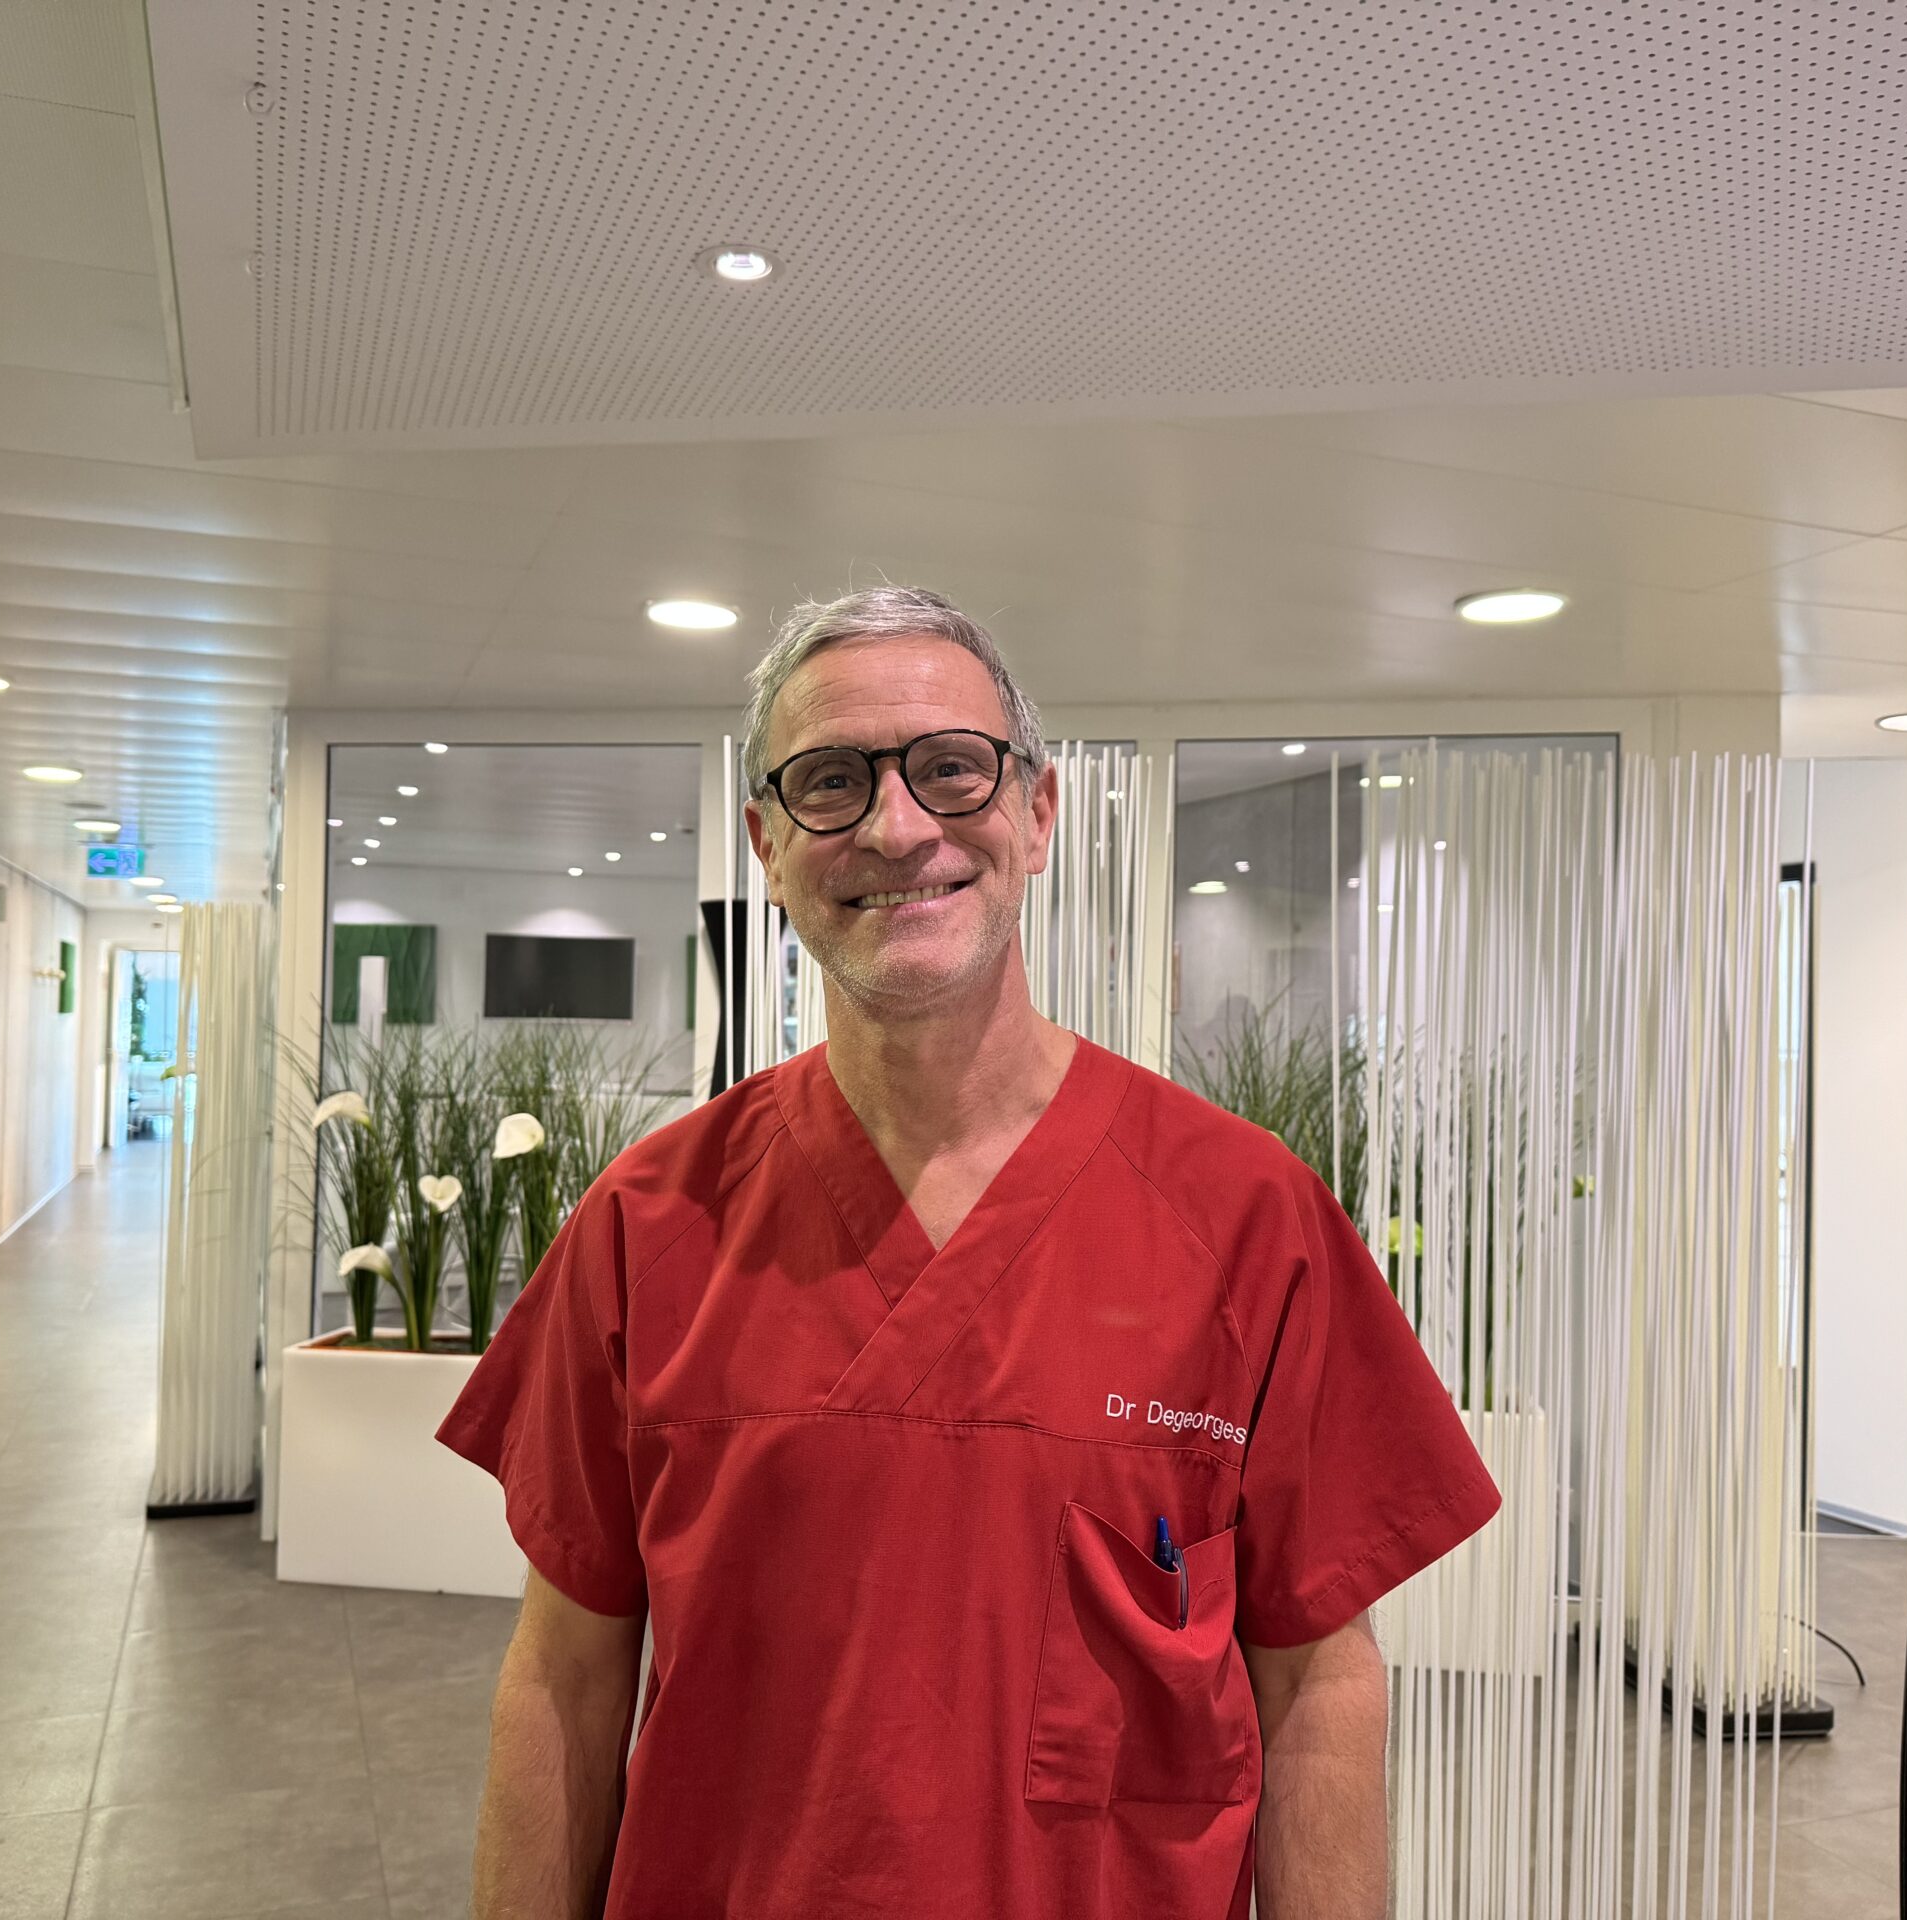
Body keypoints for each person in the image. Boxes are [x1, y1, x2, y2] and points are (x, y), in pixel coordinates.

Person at [439, 586, 1499, 1919]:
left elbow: (1316, 1681)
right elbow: (566, 1675)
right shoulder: (648, 1224)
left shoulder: (1245, 1219)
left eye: (951, 768)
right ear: (769, 846)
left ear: (1038, 814)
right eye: (831, 781)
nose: (897, 827)